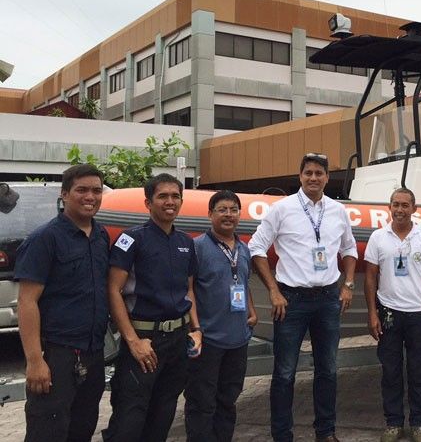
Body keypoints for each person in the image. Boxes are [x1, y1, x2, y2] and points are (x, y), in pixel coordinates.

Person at [249, 153, 358, 442]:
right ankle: (282, 435)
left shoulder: (337, 211)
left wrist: (347, 285)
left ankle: (326, 432)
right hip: (291, 300)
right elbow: (256, 248)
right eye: (308, 172)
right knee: (284, 372)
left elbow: (350, 250)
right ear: (300, 176)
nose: (313, 178)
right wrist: (273, 291)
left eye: (319, 173)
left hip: (327, 299)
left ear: (326, 177)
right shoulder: (281, 209)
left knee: (328, 369)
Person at [102, 173, 202, 442]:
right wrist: (133, 341)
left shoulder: (186, 242)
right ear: (148, 203)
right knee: (129, 420)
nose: (170, 201)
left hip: (178, 342)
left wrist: (196, 329)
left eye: (175, 196)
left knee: (163, 415)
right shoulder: (131, 239)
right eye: (162, 196)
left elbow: (189, 289)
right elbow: (114, 290)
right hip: (145, 341)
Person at [15, 164, 109, 442]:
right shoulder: (45, 239)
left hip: (92, 353)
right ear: (65, 195)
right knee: (48, 432)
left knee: (82, 429)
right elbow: (27, 301)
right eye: (81, 190)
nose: (90, 196)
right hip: (56, 355)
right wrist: (35, 361)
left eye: (96, 190)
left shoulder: (101, 237)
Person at [364, 188, 421, 442]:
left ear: (414, 208)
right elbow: (370, 276)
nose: (400, 209)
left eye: (405, 205)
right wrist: (372, 312)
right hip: (388, 312)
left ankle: (419, 424)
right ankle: (393, 423)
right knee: (391, 371)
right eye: (395, 204)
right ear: (389, 207)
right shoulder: (378, 237)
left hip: (418, 314)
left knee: (418, 370)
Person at [184, 190, 258, 442]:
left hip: (237, 340)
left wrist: (251, 310)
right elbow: (189, 289)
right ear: (209, 214)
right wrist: (195, 327)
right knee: (202, 402)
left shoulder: (244, 249)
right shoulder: (197, 247)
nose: (229, 215)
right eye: (222, 210)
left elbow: (243, 283)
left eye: (233, 210)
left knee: (228, 400)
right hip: (209, 339)